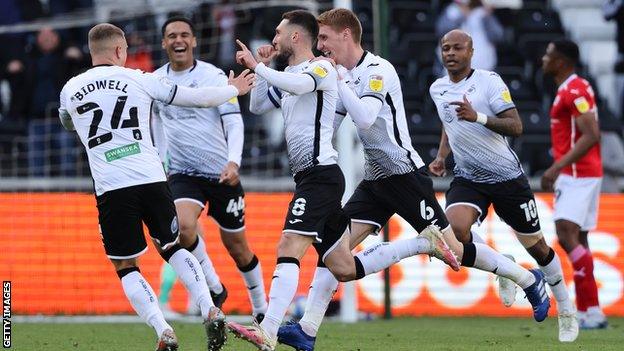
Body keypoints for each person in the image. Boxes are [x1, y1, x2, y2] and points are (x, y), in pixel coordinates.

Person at [276, 10, 553, 351]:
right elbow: (328, 124)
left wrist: (339, 81)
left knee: (451, 249)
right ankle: (307, 330)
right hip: (375, 179)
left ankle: (527, 278)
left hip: (406, 176)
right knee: (337, 254)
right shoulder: (340, 75)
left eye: (324, 39)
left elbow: (363, 118)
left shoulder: (378, 71)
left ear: (345, 35)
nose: (320, 46)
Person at [226, 10, 460, 351]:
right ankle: (422, 244)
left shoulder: (320, 69)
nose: (273, 39)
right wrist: (264, 70)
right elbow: (259, 106)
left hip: (320, 176)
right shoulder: (289, 72)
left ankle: (268, 330)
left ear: (295, 36)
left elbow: (302, 86)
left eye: (278, 32)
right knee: (342, 266)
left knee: (289, 245)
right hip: (311, 177)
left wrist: (261, 67)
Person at [58, 23, 255, 351]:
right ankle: (209, 307)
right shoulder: (140, 78)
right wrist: (232, 88)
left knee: (125, 266)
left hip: (112, 186)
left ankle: (163, 329)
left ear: (93, 52)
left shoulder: (70, 88)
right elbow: (196, 98)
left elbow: (66, 121)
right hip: (151, 178)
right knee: (173, 246)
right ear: (120, 51)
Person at [426, 29, 579, 342]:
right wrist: (442, 155)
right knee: (453, 233)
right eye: (445, 48)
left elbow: (517, 126)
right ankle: (504, 267)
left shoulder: (489, 82)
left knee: (537, 247)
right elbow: (448, 121)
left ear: (471, 51)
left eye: (457, 48)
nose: (450, 53)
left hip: (507, 179)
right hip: (468, 178)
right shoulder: (437, 88)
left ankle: (565, 309)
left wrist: (478, 117)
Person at [151, 16, 268, 320]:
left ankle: (261, 310)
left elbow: (233, 121)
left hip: (221, 174)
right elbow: (158, 125)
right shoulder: (156, 81)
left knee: (238, 247)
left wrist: (234, 161)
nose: (179, 40)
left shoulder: (213, 76)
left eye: (184, 35)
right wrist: (161, 163)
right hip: (183, 174)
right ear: (164, 43)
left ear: (194, 41)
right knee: (183, 227)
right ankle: (214, 286)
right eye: (172, 36)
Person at [541, 39, 607, 329]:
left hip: (578, 174)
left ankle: (590, 310)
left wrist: (558, 165)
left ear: (562, 61)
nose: (544, 59)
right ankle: (591, 310)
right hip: (582, 172)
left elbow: (592, 134)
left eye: (549, 55)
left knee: (565, 233)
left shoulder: (574, 88)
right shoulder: (568, 88)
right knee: (578, 238)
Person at [435, 0, 503, 72]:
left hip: (484, 69)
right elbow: (441, 31)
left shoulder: (483, 12)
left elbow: (498, 35)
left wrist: (488, 17)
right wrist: (463, 15)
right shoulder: (452, 11)